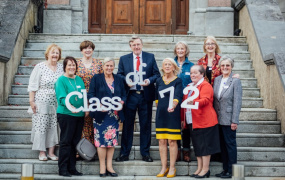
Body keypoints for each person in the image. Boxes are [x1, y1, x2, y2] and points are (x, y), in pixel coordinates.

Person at [116, 36, 160, 162]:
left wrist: (149, 80)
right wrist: (126, 80)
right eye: (134, 45)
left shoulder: (150, 57)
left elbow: (156, 75)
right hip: (130, 95)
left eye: (138, 44)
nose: (136, 47)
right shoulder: (124, 59)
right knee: (128, 125)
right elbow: (119, 75)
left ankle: (145, 153)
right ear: (130, 46)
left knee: (145, 125)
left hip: (145, 95)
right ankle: (124, 153)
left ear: (142, 45)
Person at [88, 57, 126, 177]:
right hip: (100, 115)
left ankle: (110, 166)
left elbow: (124, 94)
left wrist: (122, 102)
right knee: (101, 142)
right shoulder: (96, 78)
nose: (109, 68)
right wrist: (98, 104)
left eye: (111, 66)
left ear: (113, 67)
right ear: (103, 66)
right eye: (107, 65)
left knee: (112, 142)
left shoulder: (119, 79)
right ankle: (102, 167)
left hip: (114, 116)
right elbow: (90, 95)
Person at [181, 65, 220, 178]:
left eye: (195, 73)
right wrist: (183, 119)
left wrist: (192, 102)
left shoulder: (205, 85)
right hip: (192, 119)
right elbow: (184, 104)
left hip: (204, 119)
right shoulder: (189, 86)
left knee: (204, 146)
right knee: (198, 145)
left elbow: (206, 100)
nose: (193, 75)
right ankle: (199, 168)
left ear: (202, 74)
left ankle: (206, 169)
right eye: (191, 73)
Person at [28, 44, 63, 161]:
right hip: (41, 101)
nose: (55, 55)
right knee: (41, 126)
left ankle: (51, 152)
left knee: (54, 126)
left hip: (56, 102)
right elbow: (33, 85)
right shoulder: (40, 67)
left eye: (57, 53)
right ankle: (42, 152)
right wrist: (31, 101)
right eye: (53, 52)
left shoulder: (61, 68)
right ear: (47, 54)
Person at [55, 56, 85, 177]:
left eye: (74, 65)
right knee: (66, 142)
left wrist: (85, 108)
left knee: (75, 142)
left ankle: (72, 168)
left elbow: (83, 95)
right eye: (69, 65)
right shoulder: (61, 80)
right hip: (66, 114)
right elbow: (61, 98)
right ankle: (63, 169)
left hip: (80, 115)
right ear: (65, 67)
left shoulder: (79, 79)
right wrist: (72, 108)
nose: (72, 67)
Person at [213, 56, 242, 178]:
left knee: (230, 145)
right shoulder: (217, 80)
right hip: (218, 119)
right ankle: (225, 169)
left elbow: (237, 102)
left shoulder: (235, 81)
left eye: (228, 65)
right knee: (222, 146)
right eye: (223, 65)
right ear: (219, 67)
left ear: (231, 67)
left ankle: (233, 171)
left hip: (229, 119)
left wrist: (234, 120)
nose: (225, 67)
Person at [155, 58, 183, 178]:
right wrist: (160, 107)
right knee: (161, 141)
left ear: (174, 67)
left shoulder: (178, 81)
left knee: (172, 141)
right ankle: (163, 167)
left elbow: (177, 95)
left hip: (173, 113)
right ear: (163, 67)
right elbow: (157, 98)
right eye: (165, 64)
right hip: (161, 114)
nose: (167, 66)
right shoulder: (159, 80)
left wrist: (173, 106)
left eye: (169, 64)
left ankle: (172, 167)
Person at [77, 40, 103, 146]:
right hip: (79, 96)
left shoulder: (98, 63)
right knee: (81, 124)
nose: (87, 50)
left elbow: (102, 80)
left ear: (93, 50)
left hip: (95, 97)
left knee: (94, 123)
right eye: (85, 48)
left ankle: (93, 149)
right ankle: (81, 149)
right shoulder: (77, 63)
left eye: (90, 48)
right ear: (81, 50)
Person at [174, 41, 194, 162]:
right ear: (175, 50)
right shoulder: (171, 63)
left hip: (187, 100)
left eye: (182, 49)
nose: (180, 51)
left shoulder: (191, 65)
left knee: (186, 127)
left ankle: (186, 151)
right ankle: (176, 151)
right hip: (174, 100)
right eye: (178, 49)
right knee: (176, 126)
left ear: (186, 50)